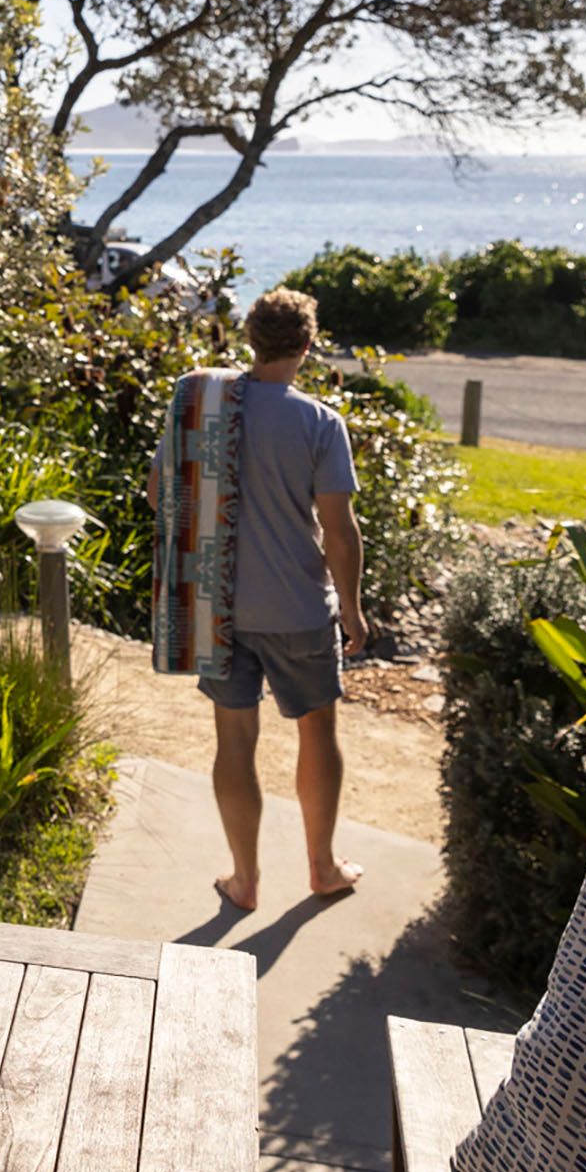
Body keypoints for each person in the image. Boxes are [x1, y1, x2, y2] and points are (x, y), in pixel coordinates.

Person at [147, 287, 366, 909]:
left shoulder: (203, 407)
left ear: (251, 339)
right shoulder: (319, 422)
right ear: (306, 344)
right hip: (298, 610)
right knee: (317, 730)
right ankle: (322, 868)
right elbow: (340, 531)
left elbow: (161, 493)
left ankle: (244, 881)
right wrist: (350, 608)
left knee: (234, 740)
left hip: (219, 611)